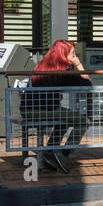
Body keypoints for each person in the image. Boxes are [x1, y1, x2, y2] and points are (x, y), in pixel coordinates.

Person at [28, 40, 91, 173]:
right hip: (42, 110)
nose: (75, 56)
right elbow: (87, 85)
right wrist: (78, 64)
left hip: (29, 109)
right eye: (73, 53)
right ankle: (63, 154)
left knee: (65, 118)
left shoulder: (42, 65)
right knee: (84, 121)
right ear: (64, 54)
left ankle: (50, 152)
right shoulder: (64, 70)